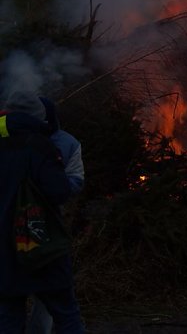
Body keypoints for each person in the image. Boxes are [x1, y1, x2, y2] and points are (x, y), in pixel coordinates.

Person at [0, 91, 85, 334]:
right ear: (39, 117)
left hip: (4, 247)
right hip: (40, 241)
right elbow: (58, 192)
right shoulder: (40, 147)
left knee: (8, 314)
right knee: (65, 312)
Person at [27, 98, 85, 334]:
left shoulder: (66, 143)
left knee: (51, 293)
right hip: (18, 226)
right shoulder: (14, 143)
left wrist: (55, 190)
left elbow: (74, 181)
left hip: (49, 224)